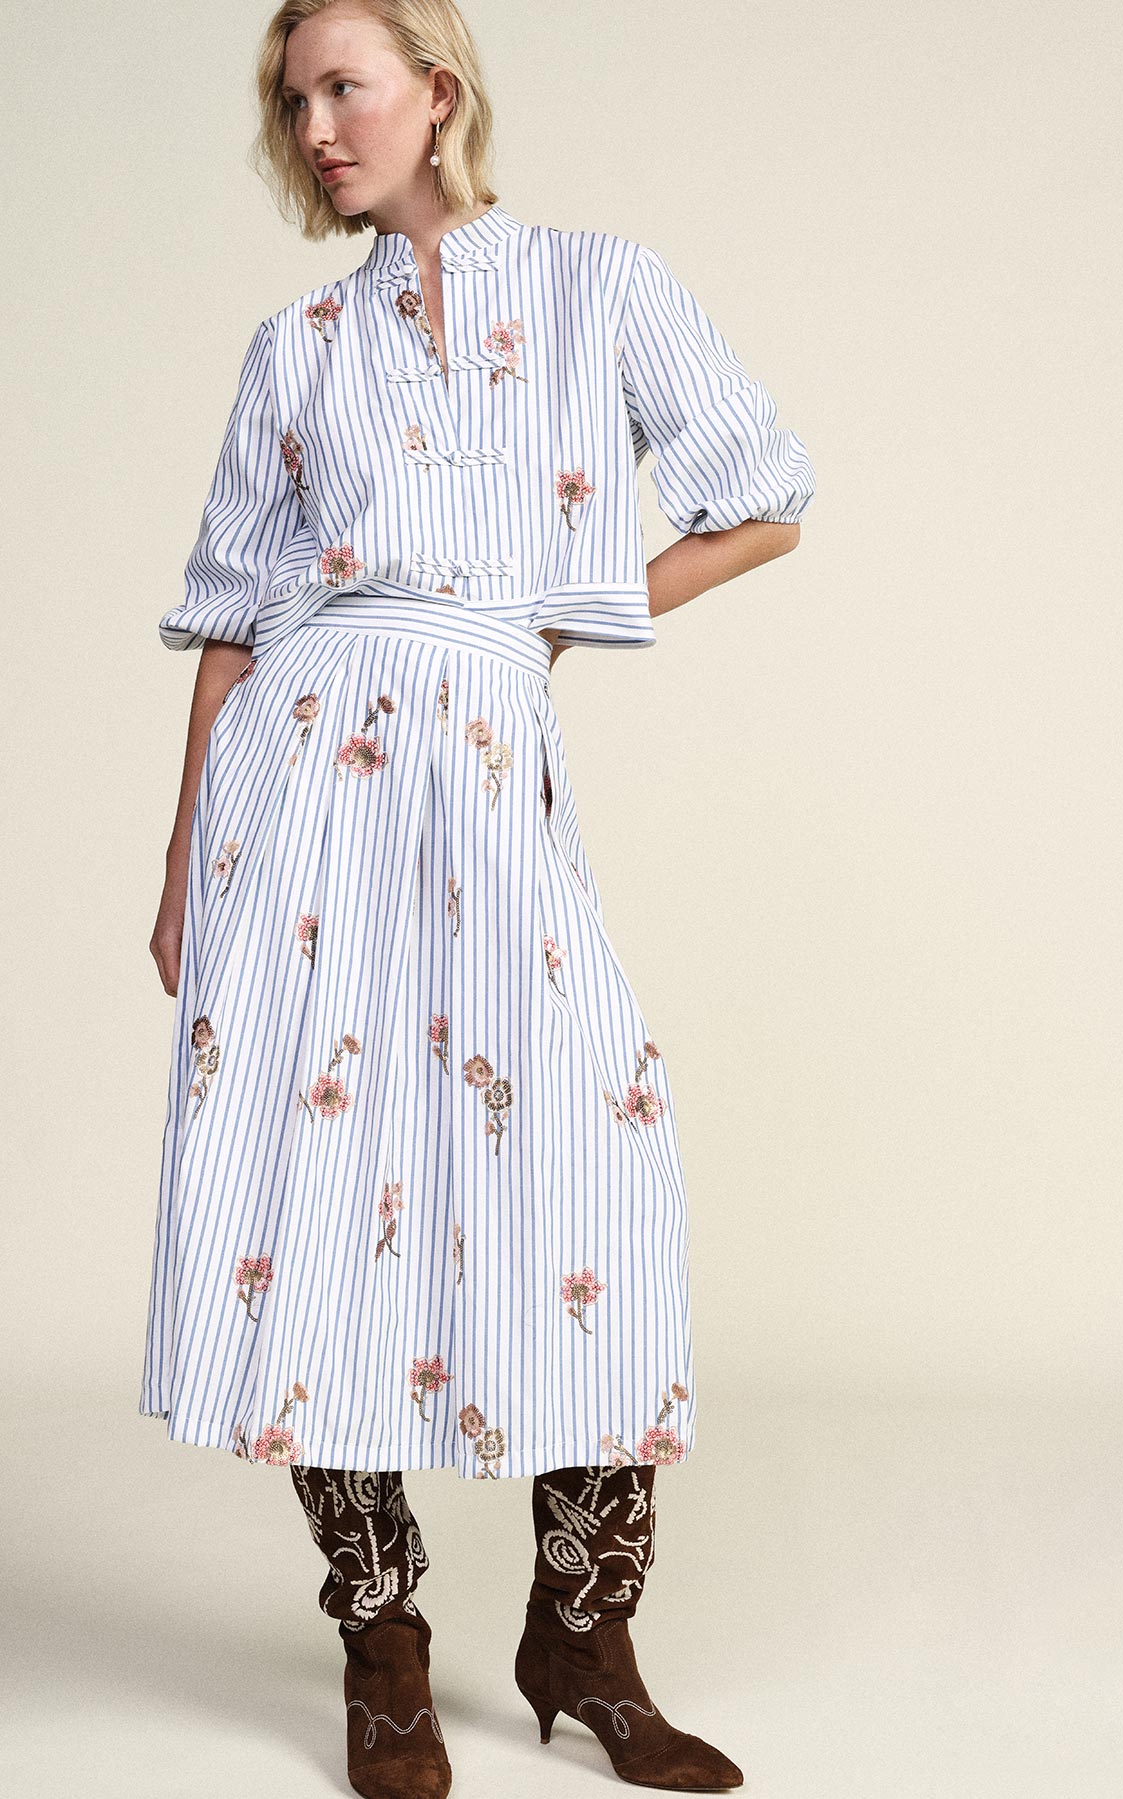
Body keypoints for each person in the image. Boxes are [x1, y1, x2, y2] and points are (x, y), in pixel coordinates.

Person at [142, 2, 814, 1793]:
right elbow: (223, 625)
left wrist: (539, 620)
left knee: (590, 1151)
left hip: (482, 774)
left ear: (440, 91)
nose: (316, 126)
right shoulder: (292, 348)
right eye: (293, 102)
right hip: (299, 781)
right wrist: (182, 859)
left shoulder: (598, 284)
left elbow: (763, 496)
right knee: (315, 1185)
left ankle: (581, 1636)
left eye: (344, 86)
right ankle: (382, 1645)